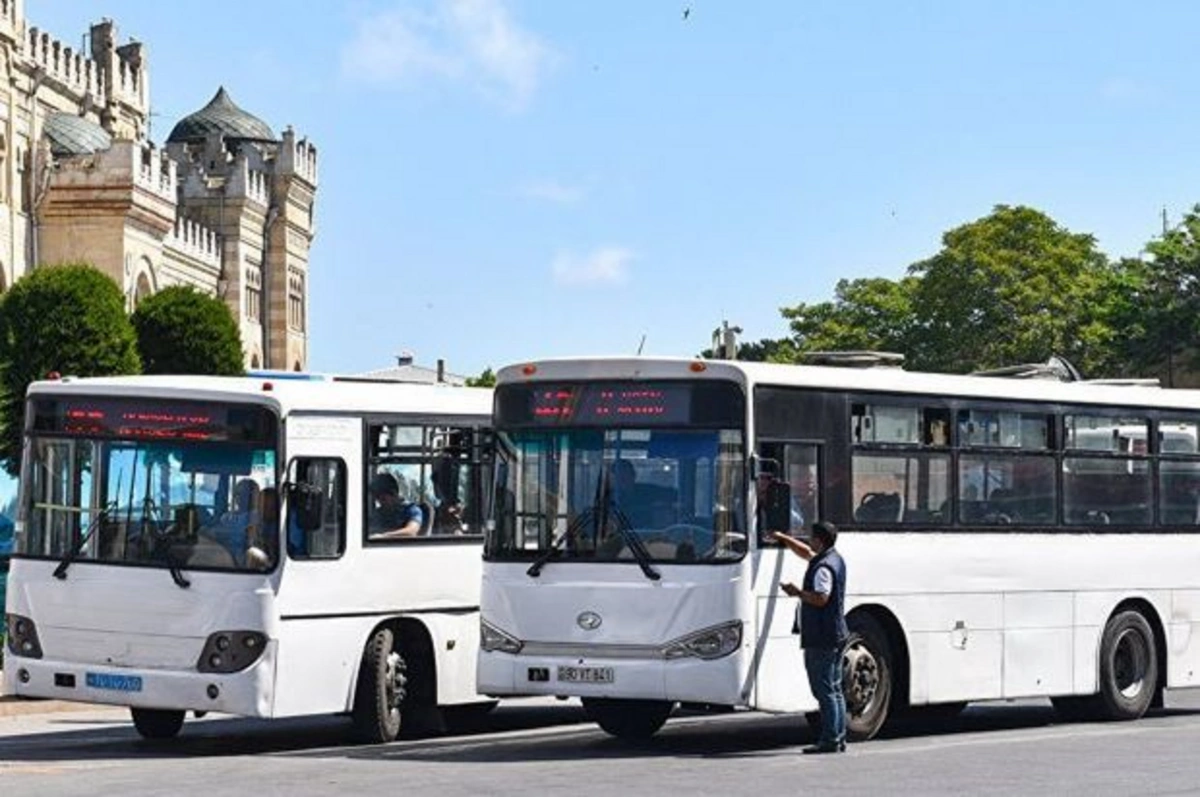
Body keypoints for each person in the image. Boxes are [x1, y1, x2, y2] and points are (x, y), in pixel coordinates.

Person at [772, 521, 848, 754]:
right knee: (834, 689)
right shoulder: (833, 558)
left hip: (822, 635)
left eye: (812, 538)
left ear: (820, 540)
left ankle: (830, 739)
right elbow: (806, 553)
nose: (809, 542)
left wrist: (797, 593)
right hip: (834, 633)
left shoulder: (823, 568)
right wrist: (784, 538)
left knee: (824, 690)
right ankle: (838, 737)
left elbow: (821, 599)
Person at [368, 471, 423, 539]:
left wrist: (383, 537)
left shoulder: (411, 510)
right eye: (377, 498)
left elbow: (411, 531)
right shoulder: (378, 513)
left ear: (394, 493)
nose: (380, 502)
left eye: (383, 499)